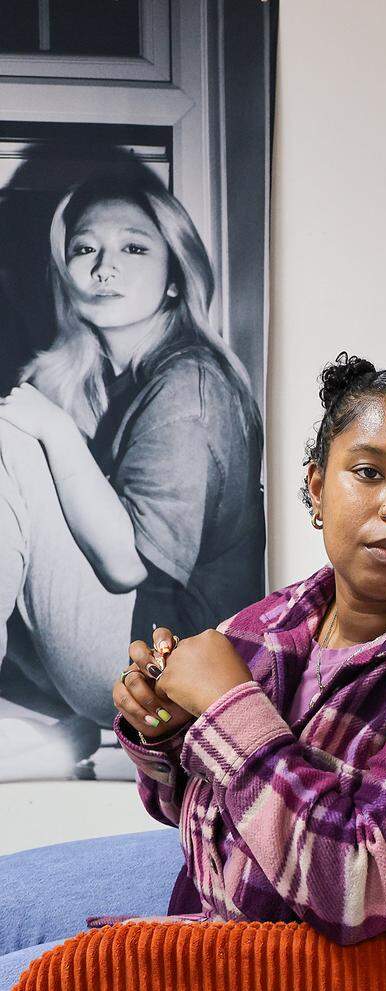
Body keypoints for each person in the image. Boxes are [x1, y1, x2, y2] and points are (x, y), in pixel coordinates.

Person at [0, 354, 386, 991]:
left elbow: (359, 886)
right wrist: (161, 729)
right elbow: (185, 805)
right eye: (370, 471)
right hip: (212, 890)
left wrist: (226, 702)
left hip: (299, 973)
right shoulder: (284, 614)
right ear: (318, 487)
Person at [0, 163, 265, 759]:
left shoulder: (190, 384)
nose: (104, 267)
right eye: (84, 248)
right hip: (128, 660)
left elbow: (124, 567)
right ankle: (47, 731)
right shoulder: (111, 378)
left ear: (176, 275)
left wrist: (52, 428)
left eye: (134, 247)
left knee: (10, 438)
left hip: (165, 683)